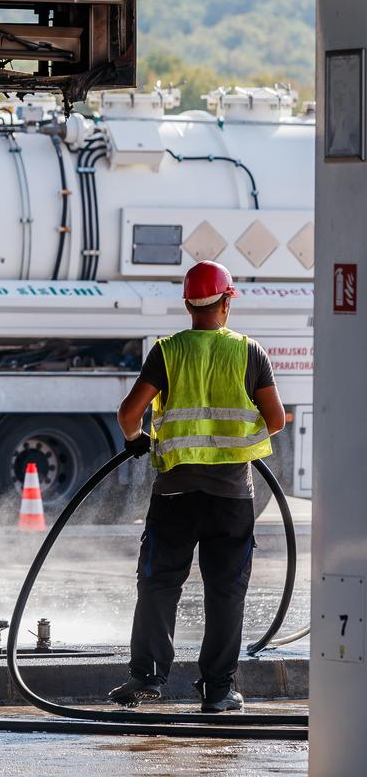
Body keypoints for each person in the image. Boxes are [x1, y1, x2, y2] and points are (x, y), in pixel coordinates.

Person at [108, 261, 285, 714]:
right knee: (225, 592)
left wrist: (138, 441)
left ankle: (146, 678)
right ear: (227, 302)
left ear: (188, 303)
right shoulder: (249, 352)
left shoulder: (167, 351)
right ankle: (218, 692)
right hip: (231, 496)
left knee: (159, 584)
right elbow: (276, 420)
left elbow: (129, 415)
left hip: (175, 493)